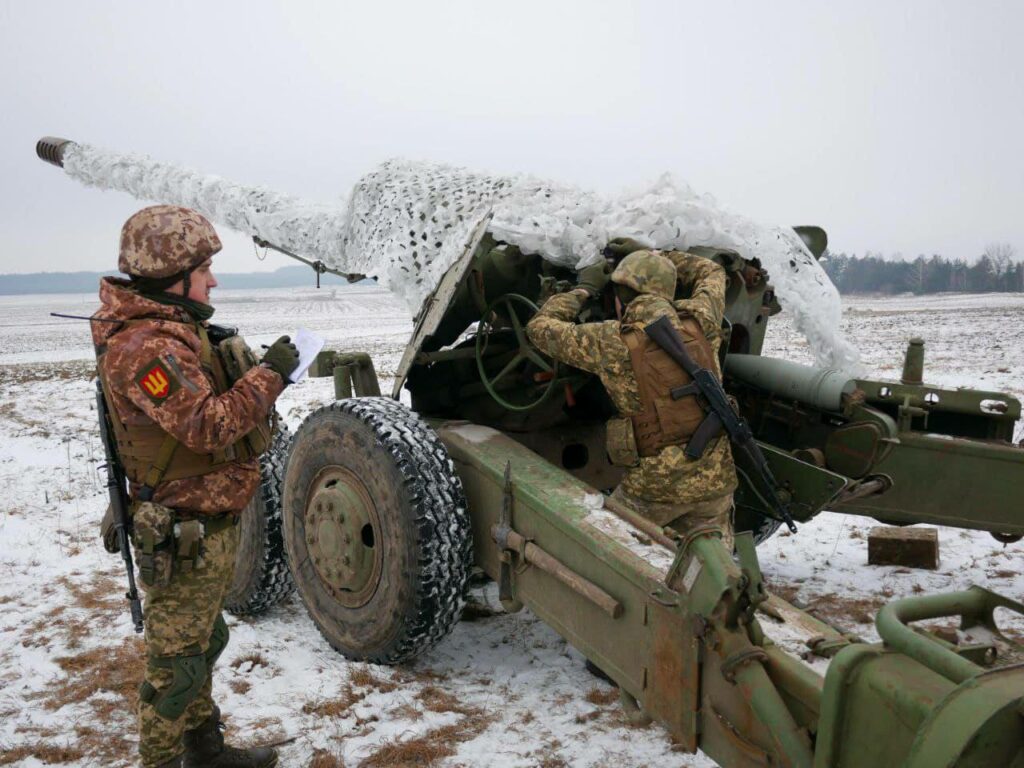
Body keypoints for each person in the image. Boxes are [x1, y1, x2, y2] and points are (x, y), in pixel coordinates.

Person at [91, 205, 297, 768]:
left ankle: (206, 752)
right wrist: (271, 374)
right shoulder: (145, 350)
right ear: (172, 275)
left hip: (205, 524)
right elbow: (209, 426)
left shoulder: (174, 333)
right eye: (204, 270)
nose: (214, 281)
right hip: (185, 532)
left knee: (201, 646)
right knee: (175, 667)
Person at [525, 239, 738, 550]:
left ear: (619, 300)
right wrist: (659, 257)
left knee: (612, 553)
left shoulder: (611, 342)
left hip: (653, 492)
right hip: (717, 483)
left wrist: (583, 290)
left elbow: (540, 328)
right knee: (709, 572)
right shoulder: (702, 320)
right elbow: (712, 272)